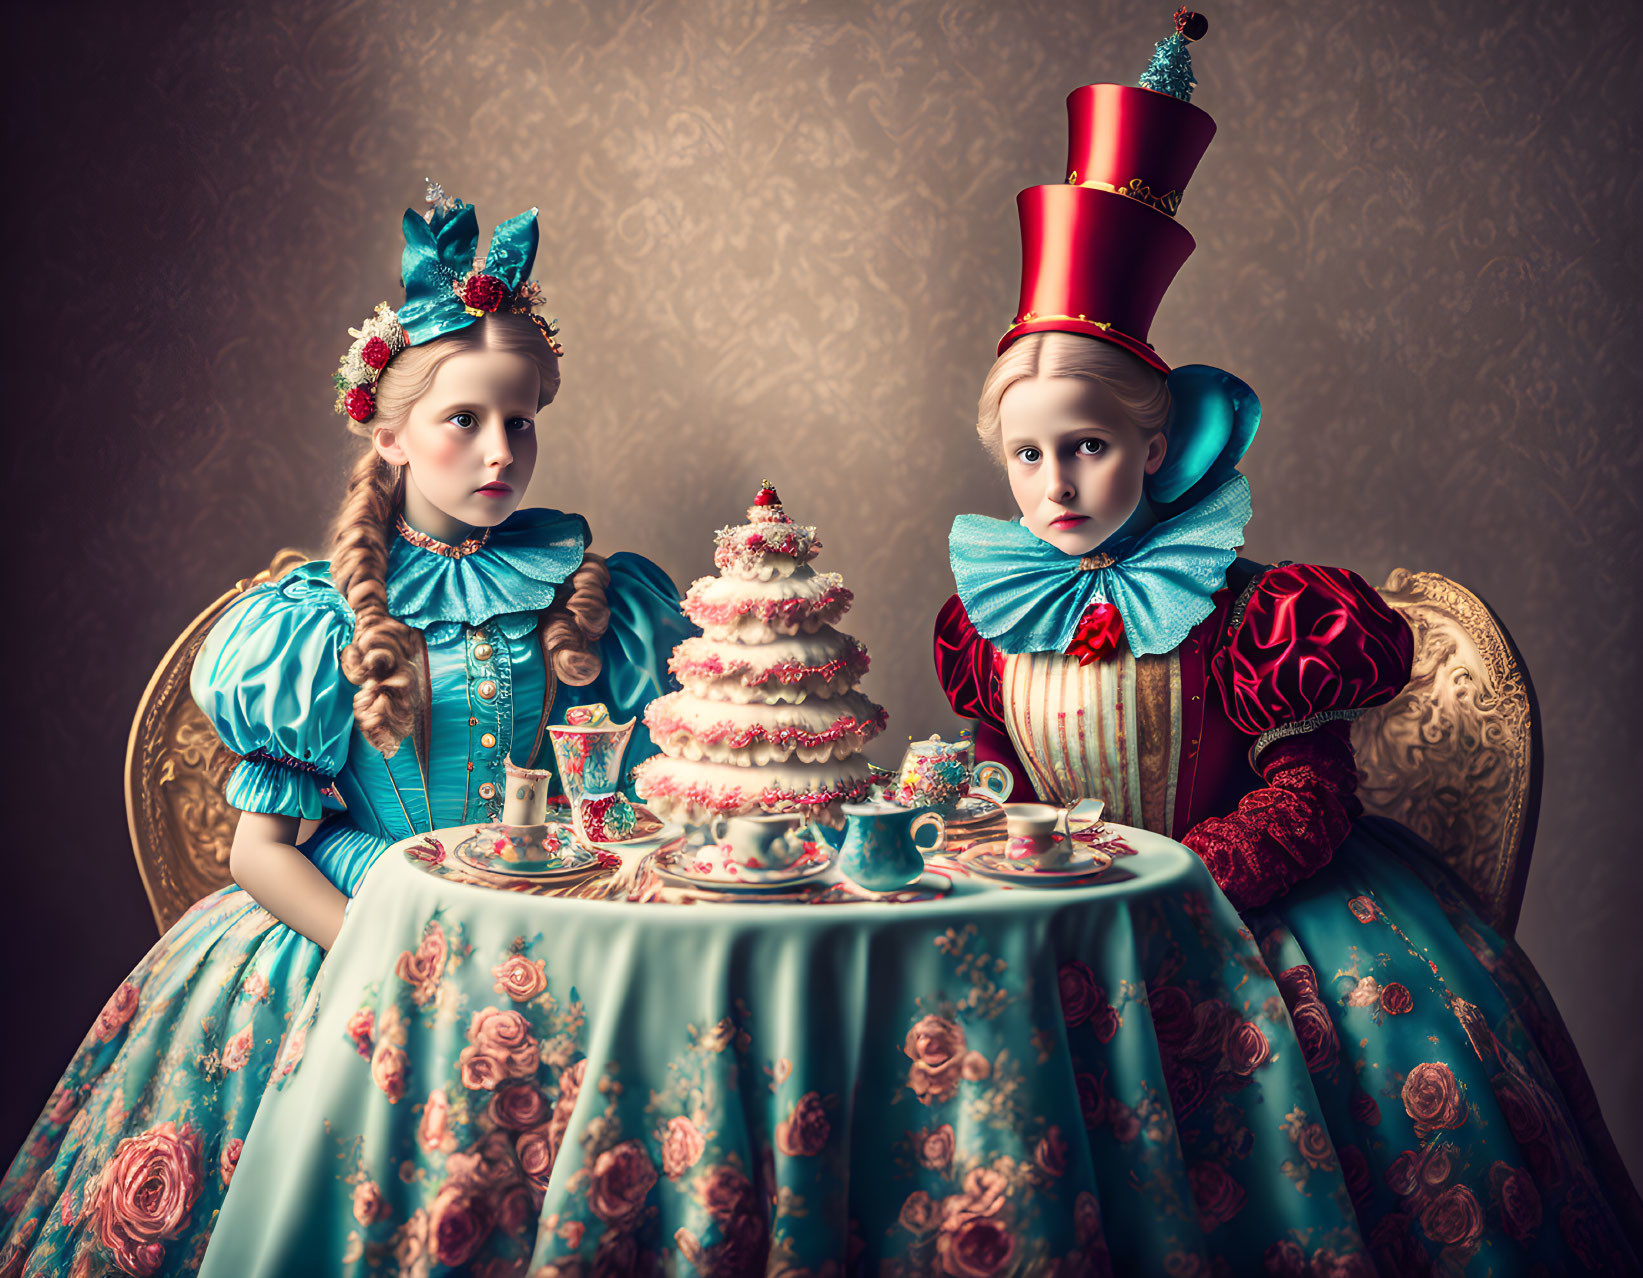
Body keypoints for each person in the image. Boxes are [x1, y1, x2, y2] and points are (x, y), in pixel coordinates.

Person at [935, 15, 1643, 1274]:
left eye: (1087, 447)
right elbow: (1000, 769)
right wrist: (976, 818)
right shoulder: (994, 616)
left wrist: (1165, 882)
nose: (1055, 482)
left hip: (1258, 915)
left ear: (1155, 447)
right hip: (1057, 923)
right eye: (1027, 455)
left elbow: (1311, 796)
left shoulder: (1256, 614)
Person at [0, 182, 693, 1277]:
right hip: (353, 937)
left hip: (540, 937)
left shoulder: (594, 588)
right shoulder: (310, 623)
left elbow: (632, 806)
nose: (499, 451)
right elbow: (257, 853)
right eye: (463, 420)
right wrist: (394, 968)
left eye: (519, 422)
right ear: (393, 430)